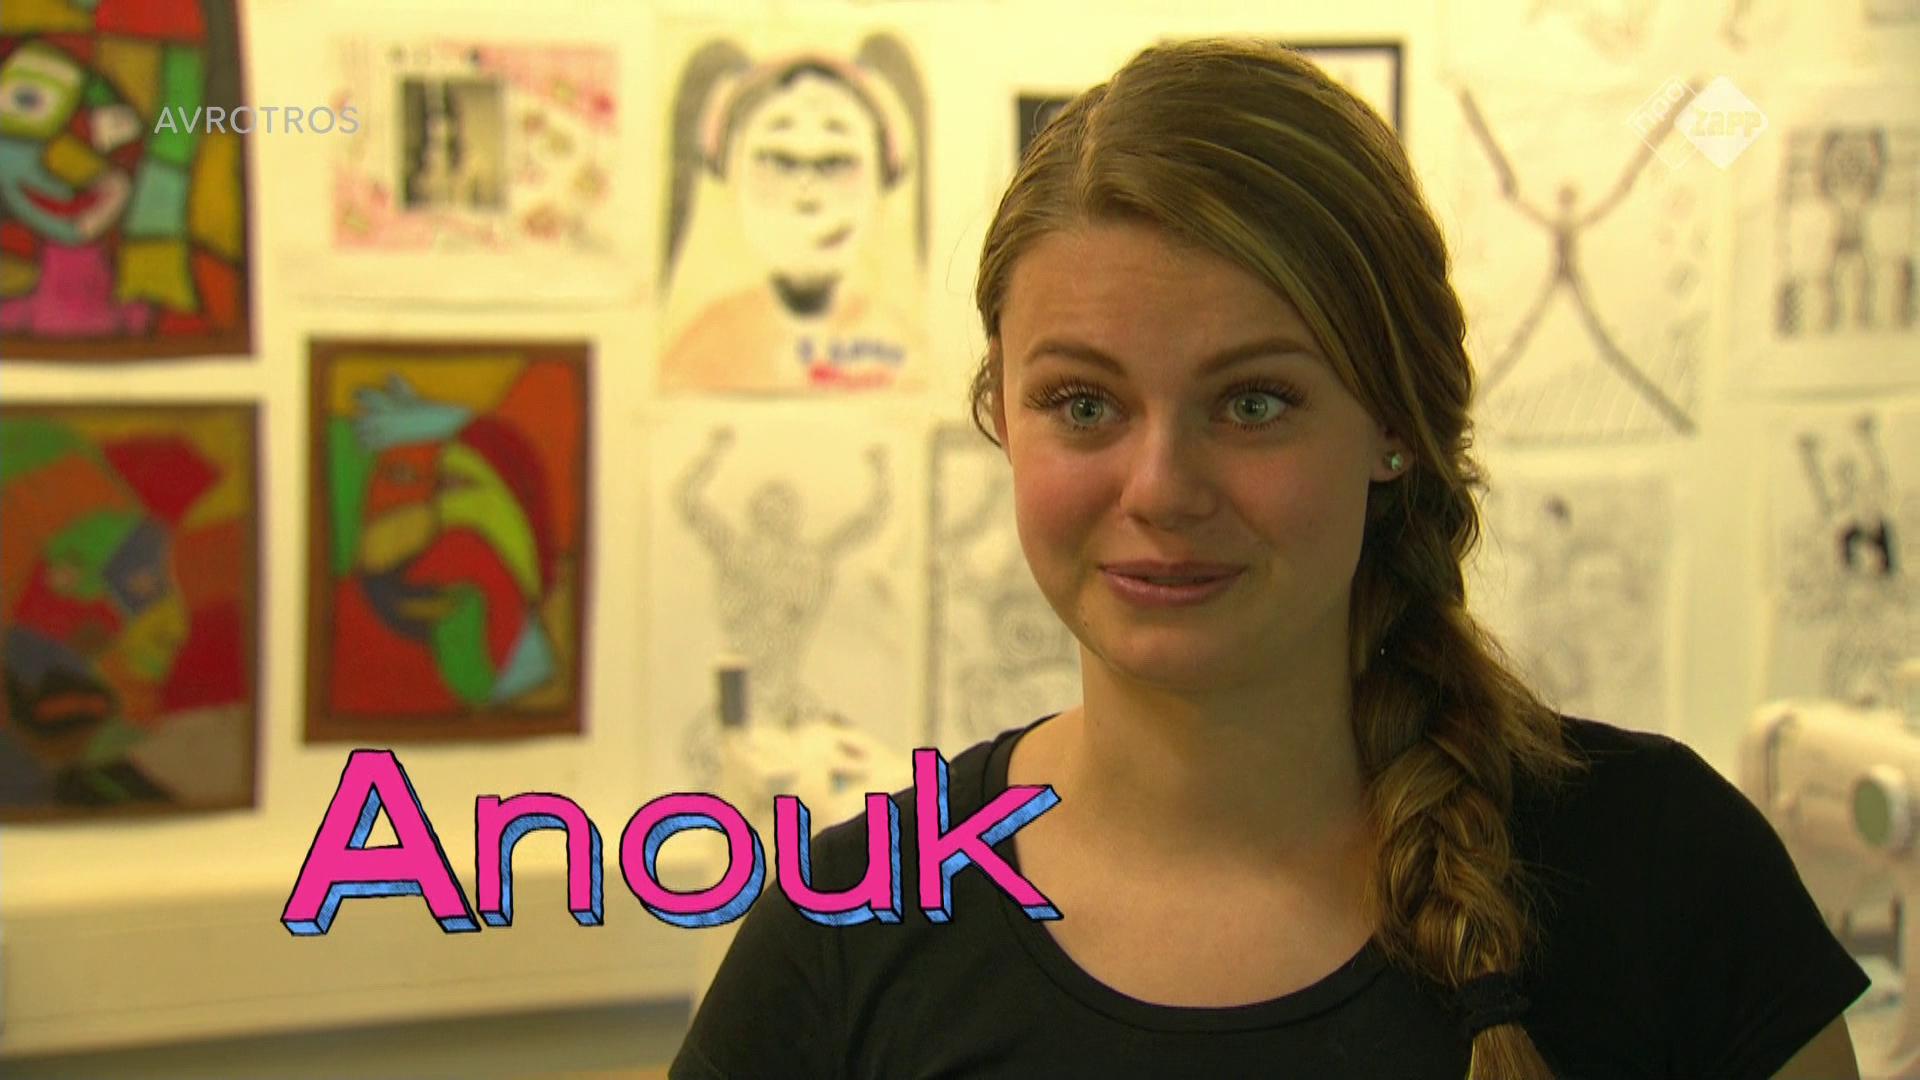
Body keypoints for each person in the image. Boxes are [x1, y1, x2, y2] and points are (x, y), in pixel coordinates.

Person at [671, 39, 1869, 1079]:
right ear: (1002, 416)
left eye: (1253, 403)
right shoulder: (852, 932)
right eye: (1083, 404)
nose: (1160, 489)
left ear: (1394, 424)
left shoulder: (1664, 874)